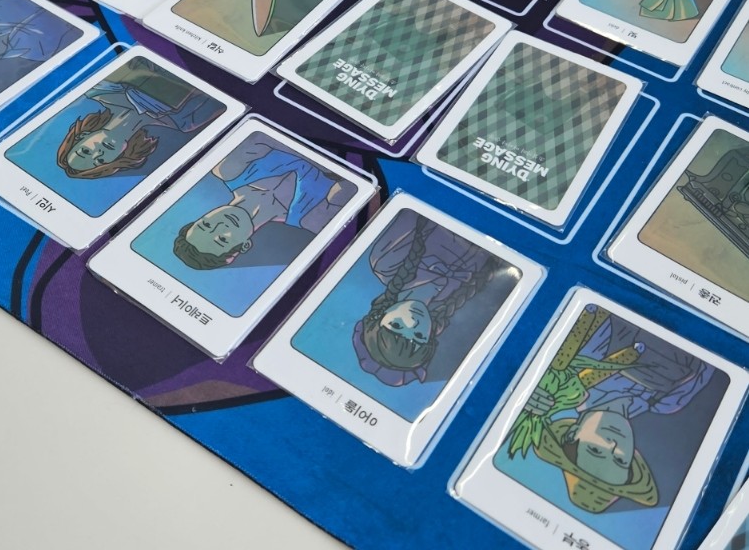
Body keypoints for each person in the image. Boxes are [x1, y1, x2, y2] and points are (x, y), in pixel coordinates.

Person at [507, 304, 713, 513]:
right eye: (621, 460)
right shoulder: (670, 401)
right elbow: (712, 356)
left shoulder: (578, 359)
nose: (614, 447)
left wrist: (526, 382)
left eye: (596, 450)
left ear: (572, 434)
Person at [352, 213, 500, 386]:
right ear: (431, 335)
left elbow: (419, 210)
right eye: (419, 335)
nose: (413, 322)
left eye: (397, 325)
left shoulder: (386, 262)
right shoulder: (468, 301)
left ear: (378, 316)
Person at [172, 130, 353, 269]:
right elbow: (353, 181)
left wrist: (328, 167)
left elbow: (266, 133)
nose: (221, 225)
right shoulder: (313, 219)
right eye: (222, 239)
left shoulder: (228, 170)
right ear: (244, 246)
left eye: (205, 224)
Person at [57, 59, 225, 179]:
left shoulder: (100, 89)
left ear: (81, 137)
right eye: (100, 161)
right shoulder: (186, 122)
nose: (99, 152)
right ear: (116, 159)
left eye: (85, 151)